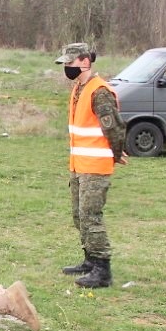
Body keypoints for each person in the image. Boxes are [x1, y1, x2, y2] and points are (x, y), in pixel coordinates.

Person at [57, 43, 126, 289]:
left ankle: (102, 268)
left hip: (95, 166)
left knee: (90, 216)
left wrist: (117, 153)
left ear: (85, 62)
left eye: (70, 63)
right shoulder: (79, 88)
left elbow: (114, 127)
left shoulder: (100, 91)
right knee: (79, 215)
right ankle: (89, 259)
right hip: (79, 164)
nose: (67, 67)